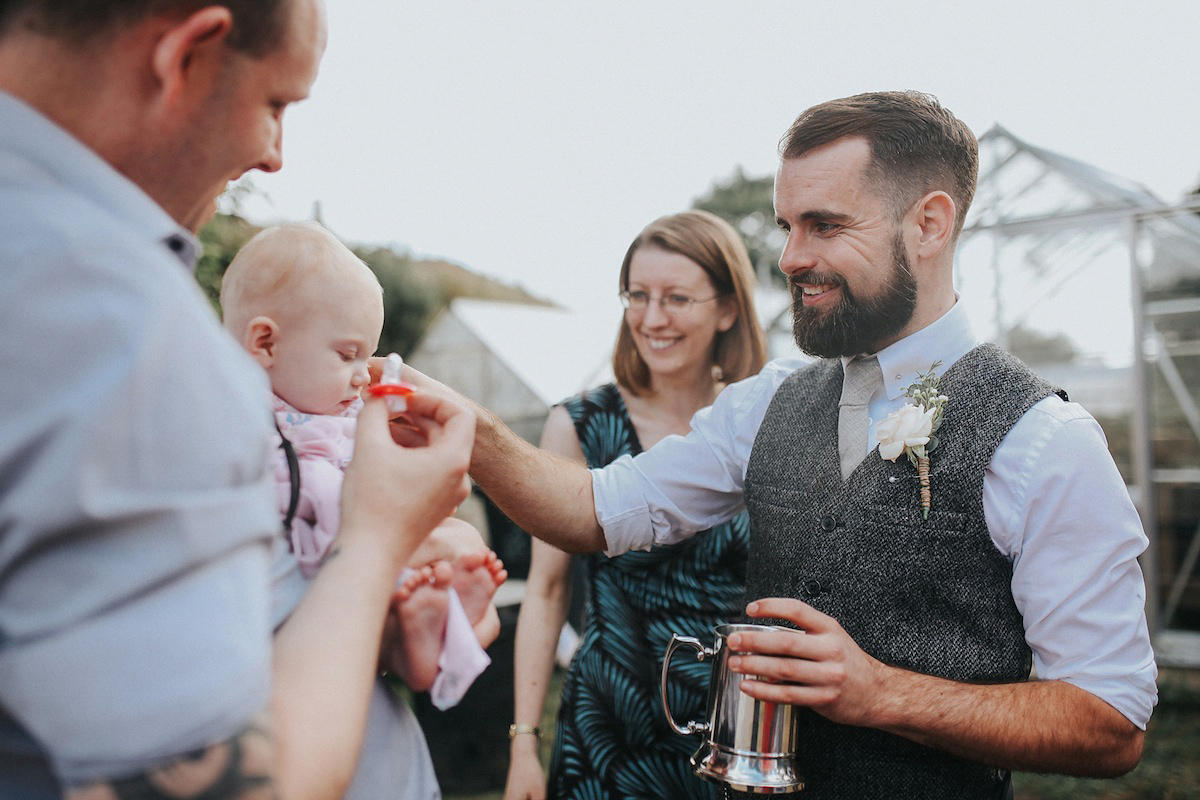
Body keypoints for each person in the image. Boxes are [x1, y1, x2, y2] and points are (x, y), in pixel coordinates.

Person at [405, 91, 1158, 799]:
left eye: (825, 225)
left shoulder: (1045, 442)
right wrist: (458, 422)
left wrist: (882, 694)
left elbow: (1109, 721)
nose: (792, 257)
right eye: (787, 227)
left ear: (930, 224)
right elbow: (594, 511)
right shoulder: (767, 403)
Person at [0, 2, 473, 799]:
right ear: (187, 53)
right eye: (276, 104)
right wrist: (376, 539)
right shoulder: (117, 323)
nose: (274, 156)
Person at [220, 221, 506, 799]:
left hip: (372, 568)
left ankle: (429, 633)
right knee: (425, 556)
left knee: (461, 551)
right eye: (348, 353)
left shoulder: (340, 412)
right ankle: (420, 635)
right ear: (265, 343)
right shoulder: (239, 422)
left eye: (370, 354)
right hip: (332, 548)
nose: (362, 374)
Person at [503, 210, 767, 800]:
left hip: (732, 727)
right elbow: (546, 591)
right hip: (608, 723)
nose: (651, 319)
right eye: (637, 296)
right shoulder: (580, 424)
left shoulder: (760, 422)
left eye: (676, 298)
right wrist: (524, 742)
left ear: (727, 309)